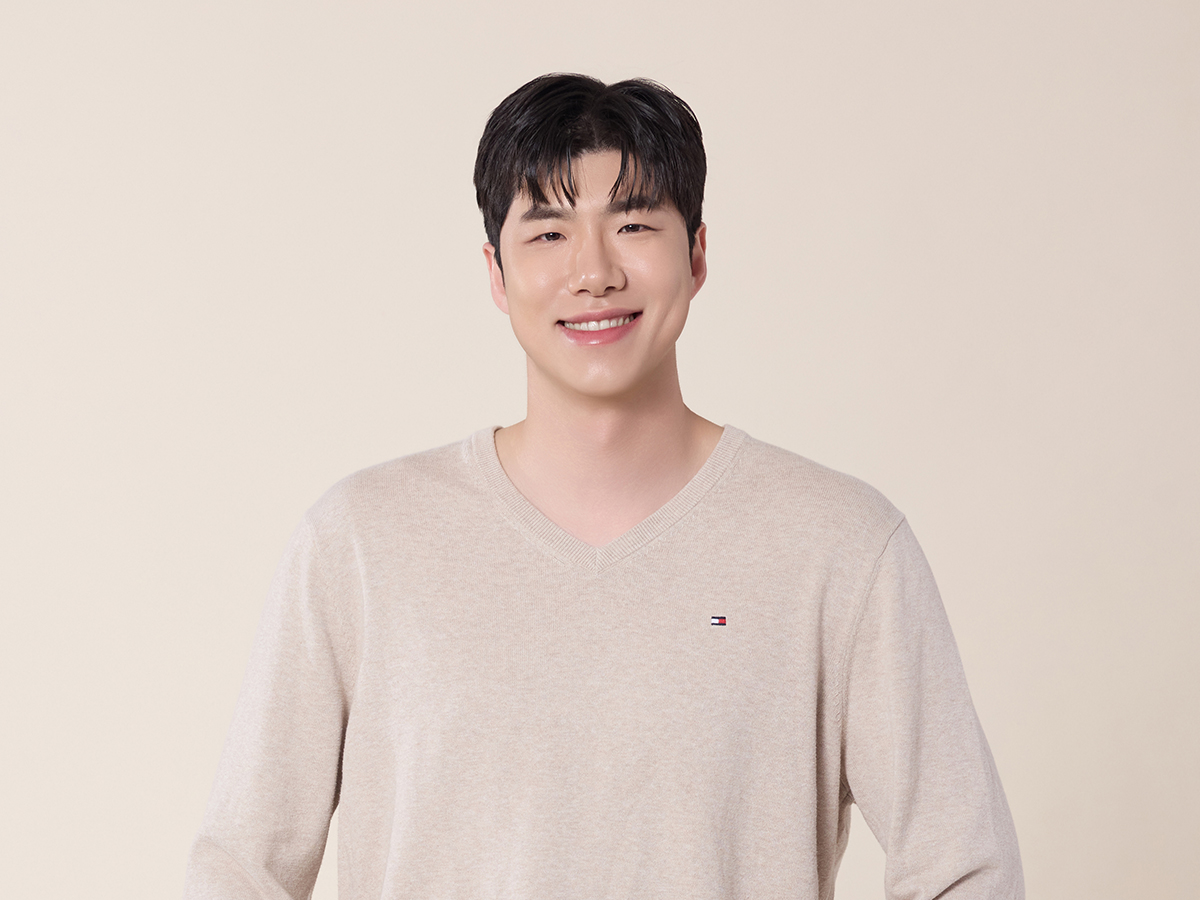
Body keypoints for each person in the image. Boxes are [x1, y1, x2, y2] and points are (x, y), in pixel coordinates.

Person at [184, 73, 1023, 899]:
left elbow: (964, 868)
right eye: (548, 232)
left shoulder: (839, 547)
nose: (593, 272)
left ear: (696, 255)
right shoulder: (362, 543)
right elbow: (238, 871)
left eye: (634, 224)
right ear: (495, 272)